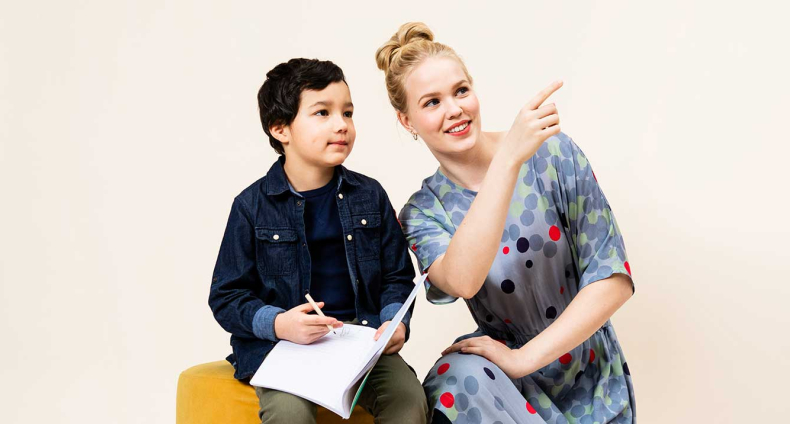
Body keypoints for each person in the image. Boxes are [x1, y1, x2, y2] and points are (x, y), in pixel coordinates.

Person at [375, 23, 636, 424]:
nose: (454, 109)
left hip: (589, 377)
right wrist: (507, 161)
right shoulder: (423, 212)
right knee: (454, 378)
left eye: (461, 91)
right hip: (504, 384)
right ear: (407, 120)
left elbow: (613, 279)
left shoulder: (551, 152)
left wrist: (523, 358)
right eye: (432, 102)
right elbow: (463, 281)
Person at [209, 58, 428, 424]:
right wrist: (279, 324)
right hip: (283, 346)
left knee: (409, 402)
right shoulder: (251, 206)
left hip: (360, 340)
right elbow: (226, 296)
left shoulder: (370, 195)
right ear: (280, 128)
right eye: (322, 113)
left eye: (348, 113)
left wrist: (395, 323)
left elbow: (397, 277)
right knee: (289, 414)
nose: (341, 124)